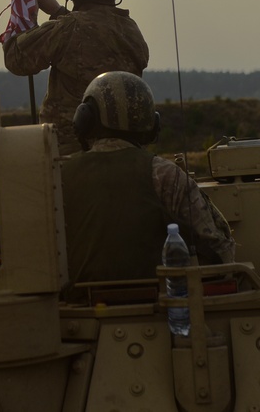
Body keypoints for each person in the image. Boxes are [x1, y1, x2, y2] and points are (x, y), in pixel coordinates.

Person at [60, 71, 234, 300]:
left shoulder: (59, 176)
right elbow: (220, 254)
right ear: (151, 125)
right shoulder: (165, 174)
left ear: (85, 119)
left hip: (78, 313)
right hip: (157, 310)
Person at [2, 0, 149, 155]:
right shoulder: (131, 30)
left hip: (71, 156)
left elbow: (17, 59)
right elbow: (92, 35)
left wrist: (25, 17)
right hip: (124, 152)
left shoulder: (68, 29)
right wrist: (59, 13)